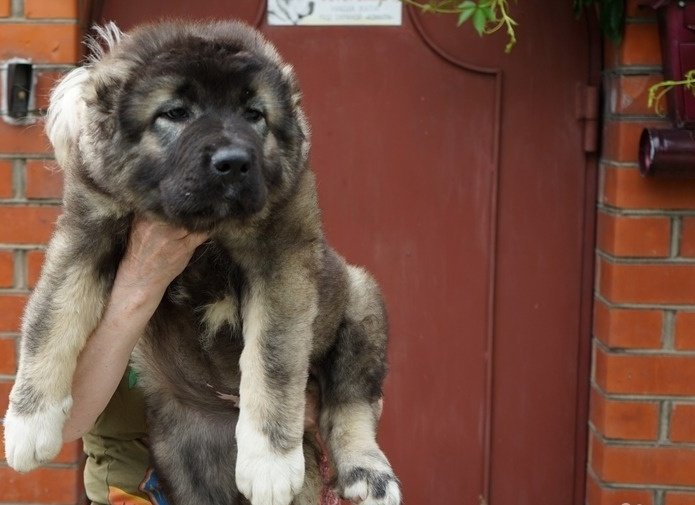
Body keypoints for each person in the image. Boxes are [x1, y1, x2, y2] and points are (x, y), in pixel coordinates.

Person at [61, 218, 328, 505]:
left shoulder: (267, 244)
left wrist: (307, 407)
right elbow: (65, 425)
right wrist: (140, 282)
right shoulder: (96, 253)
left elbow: (355, 392)